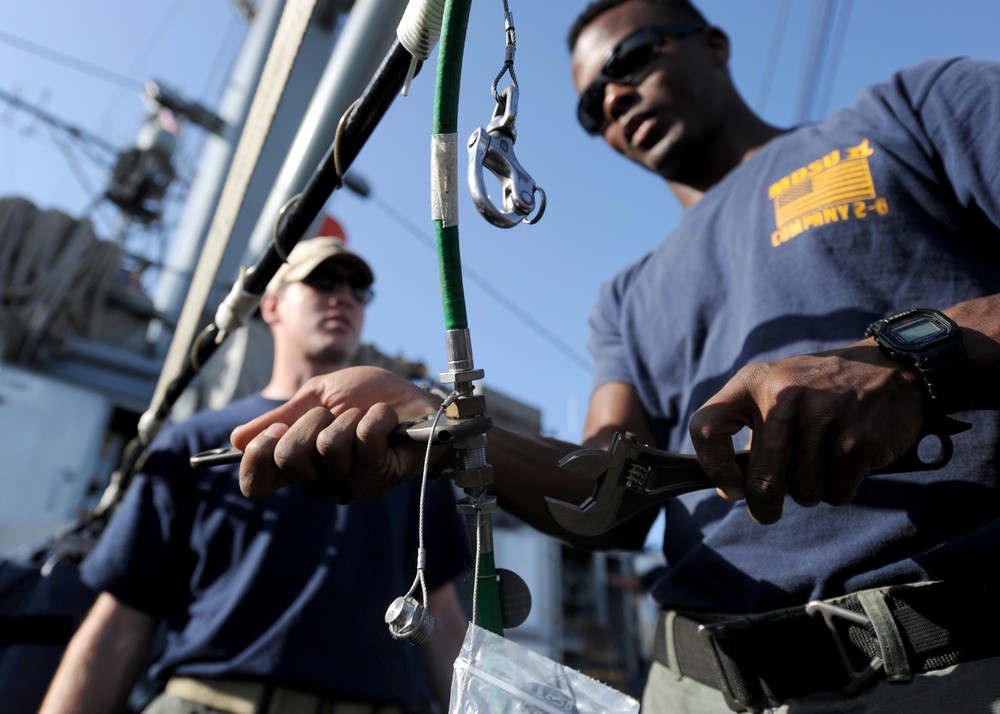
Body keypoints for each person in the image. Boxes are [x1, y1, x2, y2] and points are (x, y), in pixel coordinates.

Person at [229, 1, 1000, 711]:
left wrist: (911, 361)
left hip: (959, 656)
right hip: (698, 685)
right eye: (589, 106)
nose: (612, 101)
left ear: (714, 44)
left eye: (629, 61)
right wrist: (437, 422)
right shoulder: (626, 299)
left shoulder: (913, 112)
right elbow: (605, 498)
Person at [40, 236, 471, 714]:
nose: (343, 296)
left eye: (358, 289)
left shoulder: (409, 451)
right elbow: (122, 619)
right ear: (271, 305)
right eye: (323, 281)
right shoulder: (193, 443)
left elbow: (442, 617)